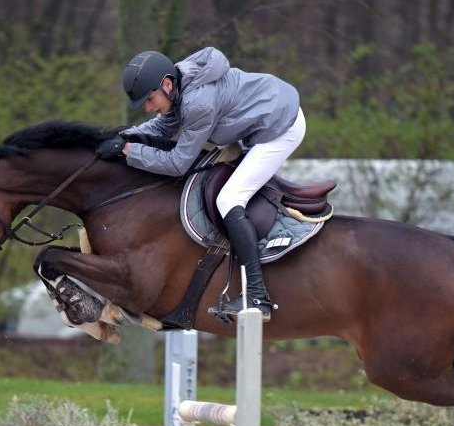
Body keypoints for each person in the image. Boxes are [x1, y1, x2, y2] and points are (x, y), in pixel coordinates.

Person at [96, 46, 306, 321]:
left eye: (149, 100)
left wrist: (127, 151)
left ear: (167, 85)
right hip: (259, 114)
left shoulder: (198, 103)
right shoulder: (179, 83)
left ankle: (257, 296)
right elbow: (162, 127)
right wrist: (123, 136)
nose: (148, 109)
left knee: (229, 199)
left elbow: (177, 164)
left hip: (280, 128)